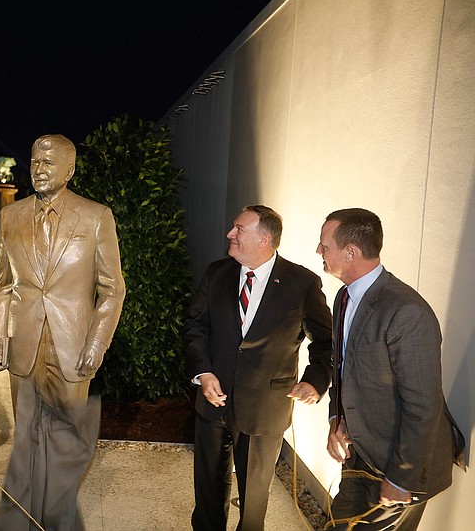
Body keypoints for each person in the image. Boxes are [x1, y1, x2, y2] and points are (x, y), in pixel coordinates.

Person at [0, 134, 125, 530]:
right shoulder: (10, 216)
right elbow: (3, 283)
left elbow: (112, 289)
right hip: (24, 349)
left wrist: (97, 343)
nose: (38, 170)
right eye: (34, 161)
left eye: (48, 163)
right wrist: (0, 334)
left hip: (72, 347)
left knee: (66, 444)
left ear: (69, 169)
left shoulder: (96, 216)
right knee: (27, 441)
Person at [184, 205, 333, 531]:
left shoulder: (302, 284)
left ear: (264, 238)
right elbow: (195, 327)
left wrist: (314, 382)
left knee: (253, 504)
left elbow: (326, 343)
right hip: (212, 403)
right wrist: (204, 373)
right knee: (207, 492)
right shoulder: (217, 272)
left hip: (264, 408)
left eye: (239, 229)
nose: (230, 234)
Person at [317, 208, 464, 530]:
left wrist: (402, 478)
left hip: (397, 465)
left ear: (351, 252)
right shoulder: (344, 297)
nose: (319, 252)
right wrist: (336, 418)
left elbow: (423, 406)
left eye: (324, 245)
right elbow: (342, 367)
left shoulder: (406, 312)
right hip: (360, 454)